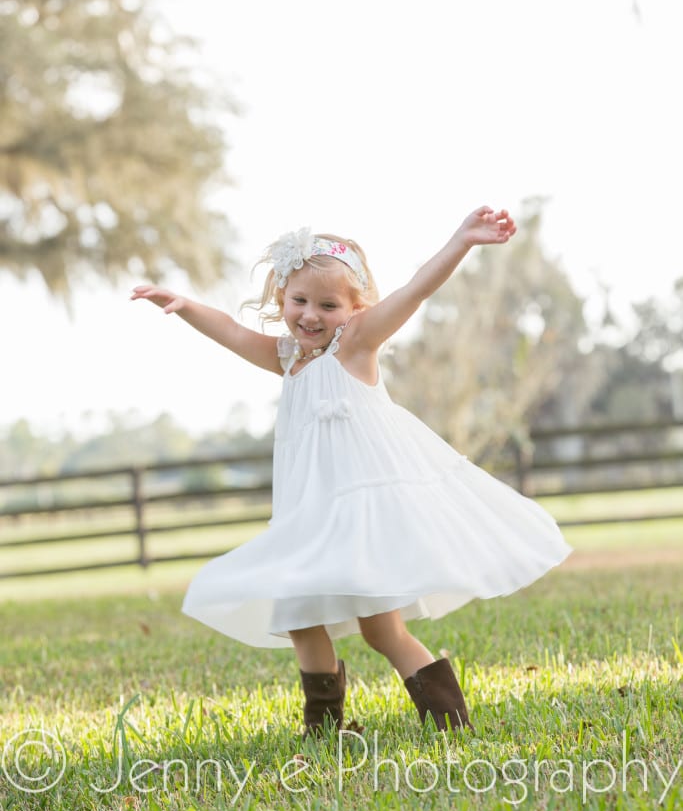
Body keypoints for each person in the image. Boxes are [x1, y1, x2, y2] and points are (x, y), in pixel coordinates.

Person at [131, 207, 572, 737]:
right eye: (299, 301)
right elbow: (229, 329)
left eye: (328, 305)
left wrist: (462, 241)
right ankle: (324, 727)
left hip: (360, 516)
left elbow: (414, 291)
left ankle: (449, 720)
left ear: (355, 307)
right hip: (307, 518)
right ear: (282, 301)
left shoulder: (356, 345)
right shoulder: (288, 358)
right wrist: (184, 307)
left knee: (382, 631)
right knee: (298, 615)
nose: (310, 315)